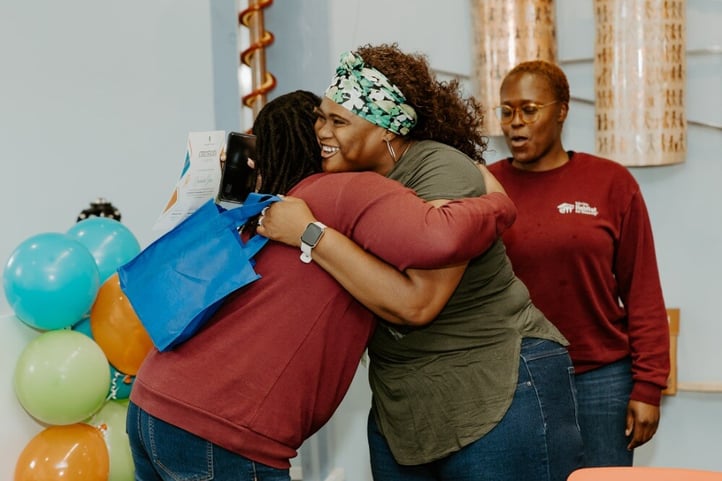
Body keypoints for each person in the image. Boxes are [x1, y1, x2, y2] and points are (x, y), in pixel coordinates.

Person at [125, 90, 518, 480]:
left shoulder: (263, 207)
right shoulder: (345, 189)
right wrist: (497, 202)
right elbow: (439, 237)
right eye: (324, 123)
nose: (330, 132)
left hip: (153, 403)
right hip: (220, 430)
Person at [259, 44, 584, 481]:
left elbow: (418, 305)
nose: (321, 130)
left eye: (339, 120)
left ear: (388, 130)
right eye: (321, 116)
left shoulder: (441, 170)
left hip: (496, 385)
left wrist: (311, 235)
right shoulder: (350, 181)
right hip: (403, 404)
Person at [487, 60, 670, 466]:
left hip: (601, 378)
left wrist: (648, 387)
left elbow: (641, 290)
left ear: (562, 110)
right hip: (513, 379)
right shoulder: (485, 187)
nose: (515, 123)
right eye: (506, 110)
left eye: (529, 110)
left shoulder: (610, 182)